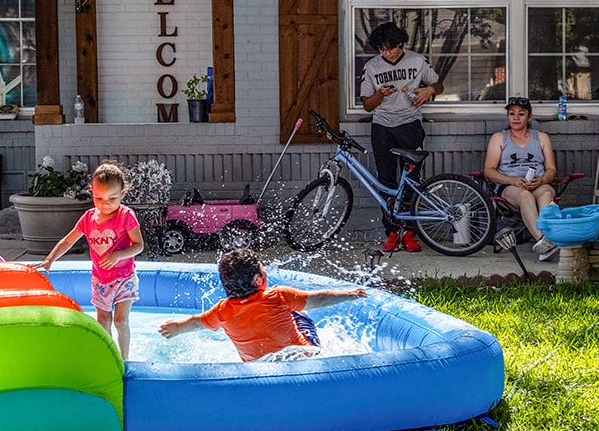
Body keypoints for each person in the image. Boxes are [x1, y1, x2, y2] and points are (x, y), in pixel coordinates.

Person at [158, 249, 368, 362]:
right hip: (303, 359)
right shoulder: (278, 296)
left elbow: (196, 323)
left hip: (258, 368)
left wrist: (177, 327)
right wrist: (349, 294)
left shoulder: (222, 311)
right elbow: (319, 299)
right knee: (301, 314)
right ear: (258, 279)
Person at [37, 162, 144, 360]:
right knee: (103, 321)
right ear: (91, 191)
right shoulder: (88, 218)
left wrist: (117, 255)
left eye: (112, 198)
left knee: (120, 321)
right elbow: (68, 240)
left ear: (123, 193)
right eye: (99, 198)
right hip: (100, 280)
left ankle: (126, 359)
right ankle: (111, 359)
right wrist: (50, 259)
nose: (105, 204)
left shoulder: (126, 215)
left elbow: (139, 245)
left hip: (124, 278)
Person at [359, 22, 445, 253]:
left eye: (391, 48)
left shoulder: (417, 61)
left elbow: (439, 85)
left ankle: (409, 233)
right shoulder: (372, 67)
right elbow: (367, 105)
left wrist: (428, 91)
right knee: (386, 180)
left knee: (412, 180)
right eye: (382, 49)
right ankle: (391, 233)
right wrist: (380, 94)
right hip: (383, 127)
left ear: (400, 44)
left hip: (410, 125)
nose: (386, 53)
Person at [483, 97, 559, 261]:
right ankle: (543, 241)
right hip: (510, 186)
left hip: (538, 183)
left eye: (521, 114)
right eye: (512, 114)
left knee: (546, 194)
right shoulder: (499, 138)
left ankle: (548, 240)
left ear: (529, 117)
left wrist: (543, 179)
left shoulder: (541, 137)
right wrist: (513, 180)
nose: (515, 118)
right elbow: (489, 171)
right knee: (525, 195)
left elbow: (552, 169)